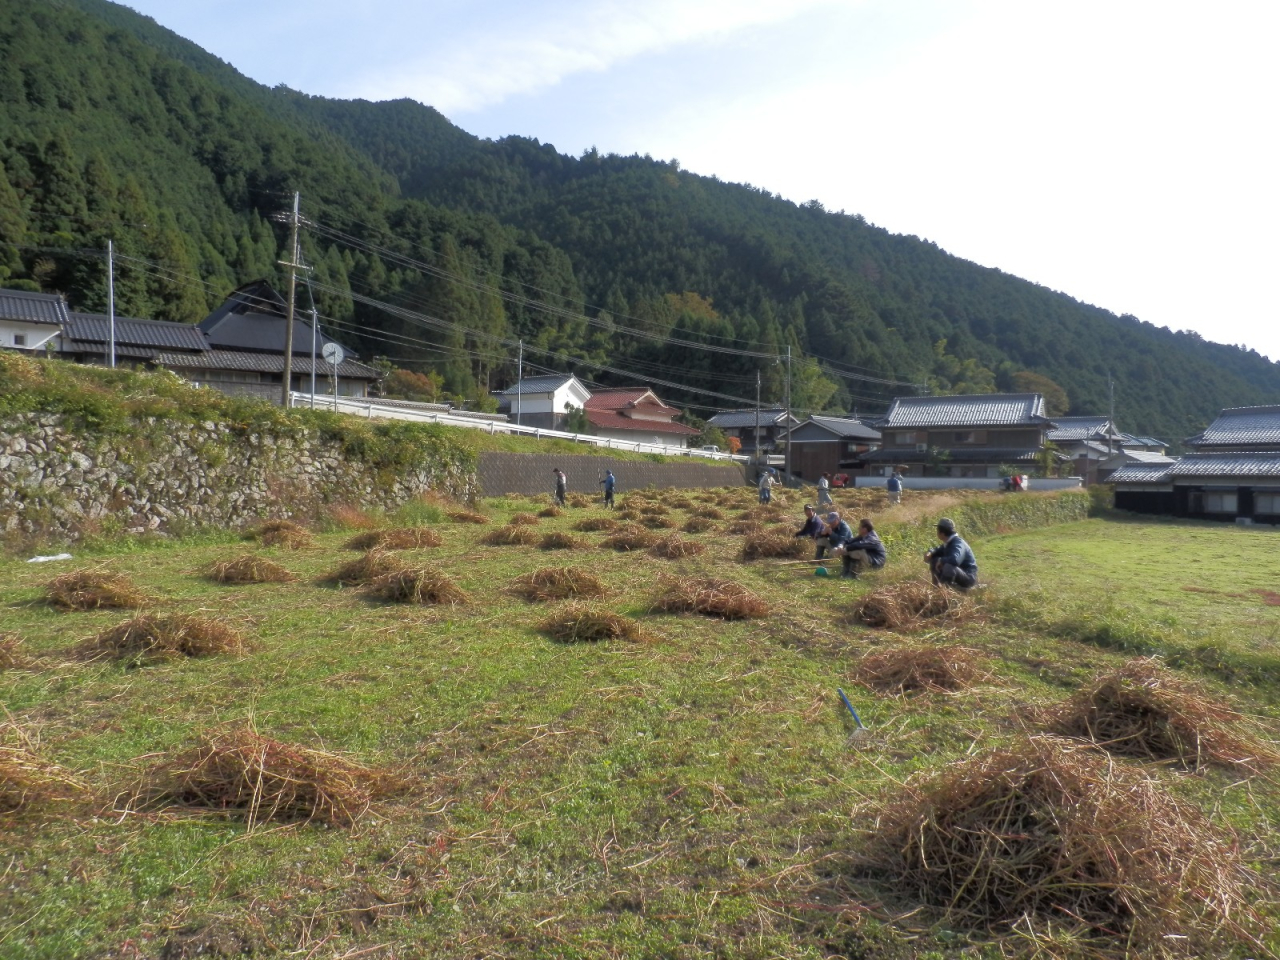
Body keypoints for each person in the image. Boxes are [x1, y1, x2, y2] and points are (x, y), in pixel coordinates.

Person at [924, 517, 978, 590]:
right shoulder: (949, 542)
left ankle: (942, 591)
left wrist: (941, 561)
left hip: (968, 577)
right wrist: (930, 553)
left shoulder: (958, 544)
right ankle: (936, 588)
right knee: (934, 559)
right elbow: (938, 550)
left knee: (948, 567)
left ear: (942, 533)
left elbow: (955, 560)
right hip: (960, 574)